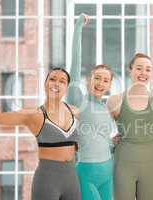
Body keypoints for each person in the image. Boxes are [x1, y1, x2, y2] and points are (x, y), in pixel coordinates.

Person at [0, 66, 80, 200]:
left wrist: (113, 139)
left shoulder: (75, 112)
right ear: (45, 84)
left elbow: (96, 130)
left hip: (72, 179)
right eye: (52, 79)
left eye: (62, 81)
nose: (57, 83)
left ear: (66, 87)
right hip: (47, 180)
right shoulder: (33, 115)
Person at [66, 14, 116, 200]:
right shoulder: (78, 99)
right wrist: (79, 26)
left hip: (107, 170)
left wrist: (114, 141)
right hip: (86, 171)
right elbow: (74, 65)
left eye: (105, 80)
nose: (101, 83)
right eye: (97, 78)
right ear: (89, 80)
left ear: (109, 85)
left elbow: (103, 138)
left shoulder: (105, 107)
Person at [107, 53, 153, 200]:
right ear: (130, 70)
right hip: (123, 164)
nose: (143, 73)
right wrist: (110, 140)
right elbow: (101, 129)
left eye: (148, 69)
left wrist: (146, 141)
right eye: (139, 68)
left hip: (150, 164)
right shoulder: (114, 101)